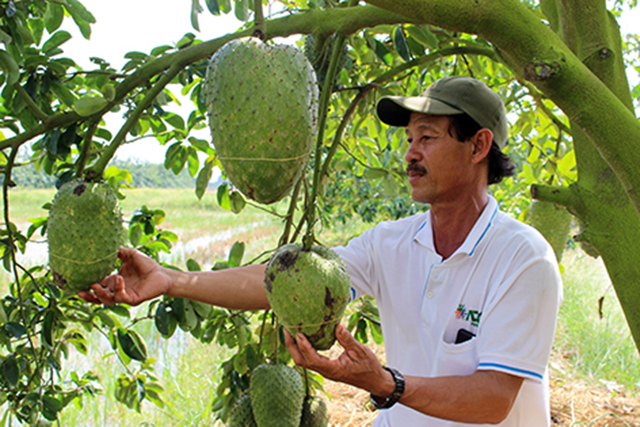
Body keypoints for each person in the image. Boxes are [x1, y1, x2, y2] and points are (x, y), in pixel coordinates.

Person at [82, 76, 563, 426]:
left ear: (479, 146)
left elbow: (493, 398)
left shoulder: (524, 259)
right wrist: (172, 279)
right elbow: (285, 281)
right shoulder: (392, 241)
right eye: (409, 139)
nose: (410, 154)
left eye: (428, 138)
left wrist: (385, 384)